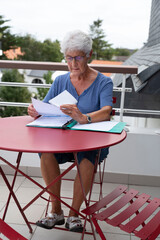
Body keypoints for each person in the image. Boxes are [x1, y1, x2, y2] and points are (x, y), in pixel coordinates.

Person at [28, 30, 113, 232]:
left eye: (78, 57)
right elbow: (45, 106)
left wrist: (85, 118)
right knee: (45, 152)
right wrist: (35, 110)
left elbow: (107, 111)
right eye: (69, 58)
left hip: (90, 142)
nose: (73, 63)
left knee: (87, 159)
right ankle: (56, 211)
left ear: (89, 55)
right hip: (62, 140)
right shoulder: (60, 81)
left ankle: (74, 214)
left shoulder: (103, 82)